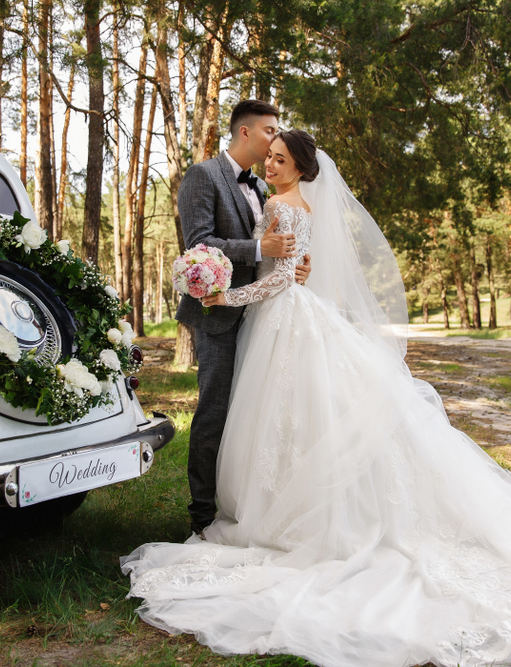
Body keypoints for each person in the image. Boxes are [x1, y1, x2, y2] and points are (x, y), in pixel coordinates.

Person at [123, 130, 511, 667]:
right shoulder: (300, 205)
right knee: (300, 419)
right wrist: (268, 278)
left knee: (289, 417)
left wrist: (228, 298)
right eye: (269, 157)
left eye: (280, 160)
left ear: (300, 168)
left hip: (284, 317)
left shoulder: (281, 204)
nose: (269, 165)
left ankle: (286, 518)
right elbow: (299, 267)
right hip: (298, 317)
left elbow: (282, 277)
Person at [175, 100, 311, 537]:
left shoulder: (266, 188)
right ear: (247, 133)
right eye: (271, 130)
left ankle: (244, 505)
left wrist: (293, 270)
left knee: (251, 416)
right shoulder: (203, 175)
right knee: (214, 412)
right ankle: (202, 515)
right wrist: (259, 252)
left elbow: (280, 252)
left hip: (259, 313)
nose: (277, 137)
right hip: (217, 312)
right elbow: (198, 243)